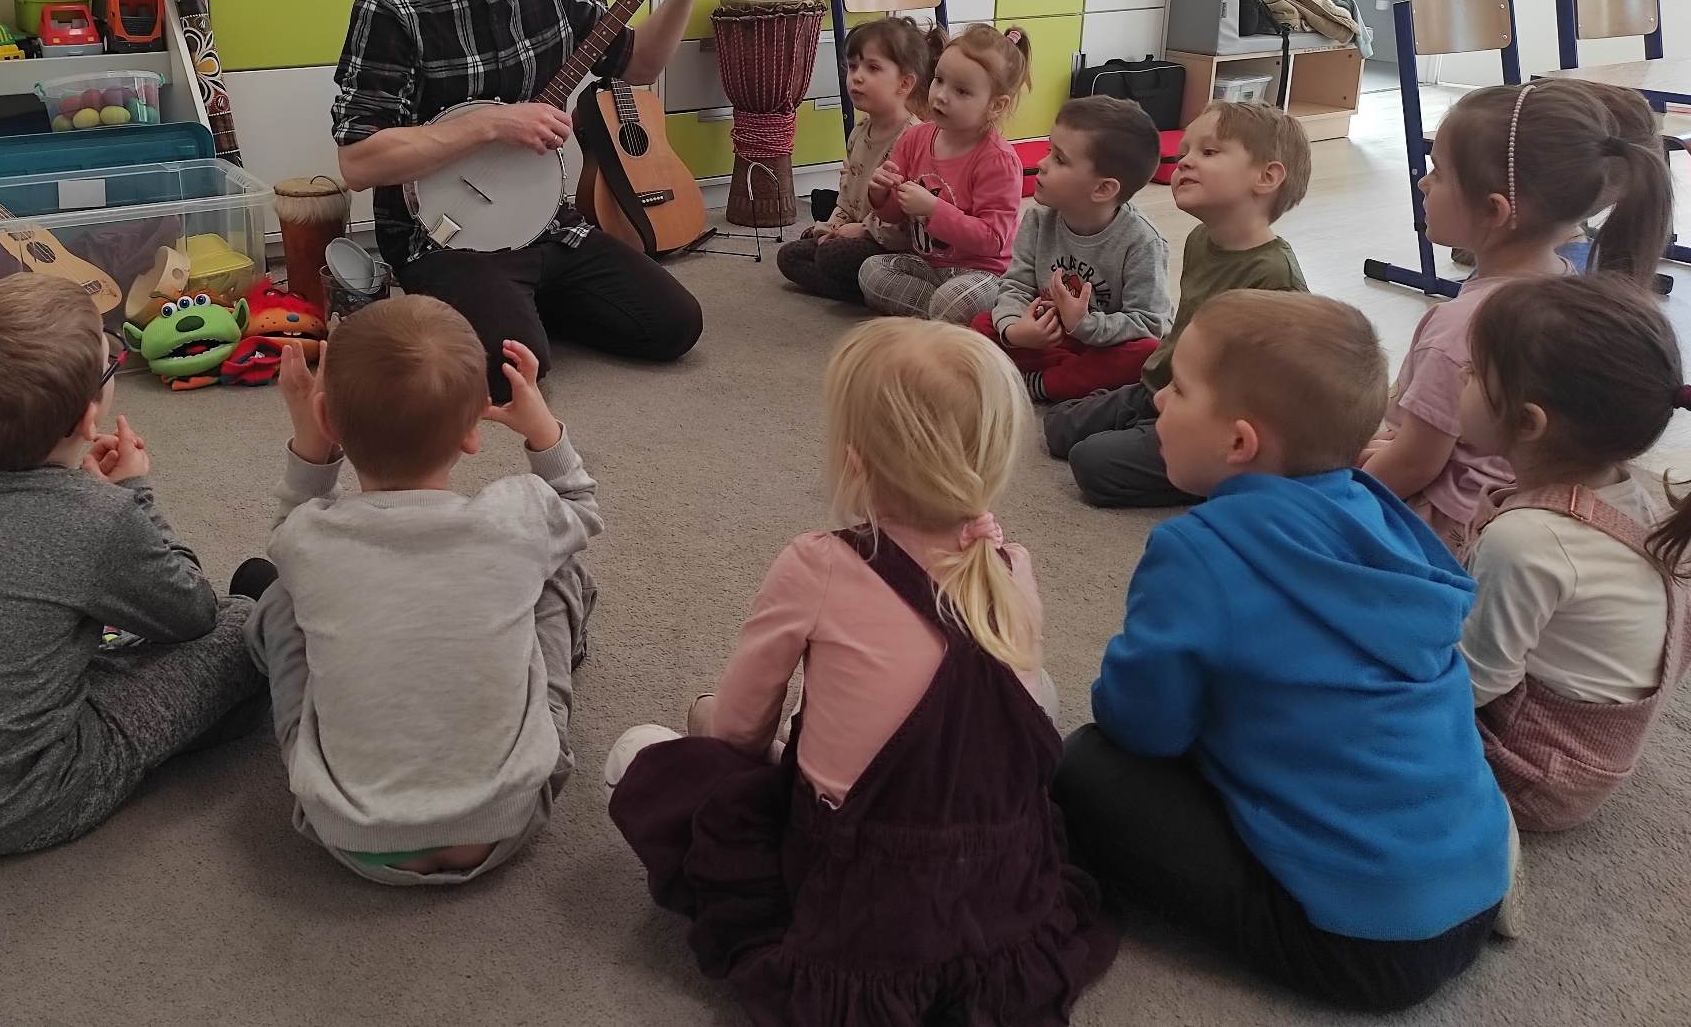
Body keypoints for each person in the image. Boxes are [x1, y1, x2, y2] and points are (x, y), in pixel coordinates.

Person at [605, 318, 1118, 1023]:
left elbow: (742, 729)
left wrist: (714, 739)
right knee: (1029, 689)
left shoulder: (818, 563)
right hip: (994, 889)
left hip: (860, 899)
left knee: (649, 754)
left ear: (854, 461)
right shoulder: (1011, 566)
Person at [1053, 292, 1512, 1012]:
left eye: (1177, 388)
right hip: (1478, 882)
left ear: (1239, 443)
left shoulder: (1199, 552)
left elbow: (1142, 725)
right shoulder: (1377, 513)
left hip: (1359, 942)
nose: (1159, 398)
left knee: (1086, 768)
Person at [0, 274, 264, 858]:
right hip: (21, 799)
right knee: (244, 623)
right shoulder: (95, 518)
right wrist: (134, 494)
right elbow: (192, 611)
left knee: (78, 626)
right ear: (87, 418)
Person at [332, 0, 716, 398]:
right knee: (515, 373)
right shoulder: (392, 6)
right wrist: (488, 124)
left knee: (675, 325)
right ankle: (492, 311)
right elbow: (359, 162)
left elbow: (638, 65)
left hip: (545, 221)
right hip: (442, 236)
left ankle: (516, 308)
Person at [244, 295, 600, 884]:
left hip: (349, 833)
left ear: (330, 420)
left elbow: (286, 527)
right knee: (559, 574)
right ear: (472, 433)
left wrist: (310, 434)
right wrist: (540, 427)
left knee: (280, 598)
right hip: (507, 819)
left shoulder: (309, 537)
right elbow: (582, 506)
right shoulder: (519, 517)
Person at [1361, 80, 1669, 552]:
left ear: (1495, 210)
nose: (1423, 182)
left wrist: (1339, 495)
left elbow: (1413, 466)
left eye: (1438, 173)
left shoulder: (1461, 325)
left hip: (1448, 532)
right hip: (1518, 491)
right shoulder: (1569, 283)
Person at [1457, 274, 1691, 830]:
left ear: (1528, 422)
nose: (1460, 378)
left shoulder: (1527, 541)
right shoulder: (1628, 491)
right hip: (1587, 756)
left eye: (1471, 372)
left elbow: (1475, 683)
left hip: (1533, 776)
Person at [1044, 100, 1309, 507]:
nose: (1183, 161)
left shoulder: (1275, 277)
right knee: (1057, 426)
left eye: (1208, 151)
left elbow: (1283, 392)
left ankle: (1221, 477)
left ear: (1266, 176)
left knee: (1091, 464)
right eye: (1184, 151)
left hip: (1211, 419)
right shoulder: (1200, 240)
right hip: (1160, 388)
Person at [981, 95, 1172, 404]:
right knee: (983, 324)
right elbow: (1015, 285)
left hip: (1103, 344)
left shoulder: (1142, 243)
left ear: (1103, 189)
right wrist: (1016, 330)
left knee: (1146, 355)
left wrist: (1083, 324)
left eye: (1059, 159)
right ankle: (1066, 377)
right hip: (1053, 337)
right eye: (1048, 151)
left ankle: (1044, 383)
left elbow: (1151, 325)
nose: (1041, 164)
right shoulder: (1038, 218)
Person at [858, 23, 1030, 322]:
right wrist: (880, 193)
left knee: (955, 299)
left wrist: (934, 209)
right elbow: (894, 215)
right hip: (927, 266)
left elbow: (993, 239)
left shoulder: (998, 160)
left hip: (983, 274)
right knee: (871, 271)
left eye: (961, 91)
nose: (940, 96)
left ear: (995, 105)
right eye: (938, 80)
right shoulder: (915, 138)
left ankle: (948, 317)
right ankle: (944, 320)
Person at [773, 16, 932, 303]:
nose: (856, 77)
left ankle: (871, 288)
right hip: (854, 232)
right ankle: (858, 288)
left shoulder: (913, 138)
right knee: (789, 256)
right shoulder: (860, 131)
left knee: (831, 256)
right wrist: (832, 228)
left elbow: (907, 224)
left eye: (873, 68)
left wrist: (860, 231)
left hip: (890, 247)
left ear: (905, 82)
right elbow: (847, 199)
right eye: (853, 66)